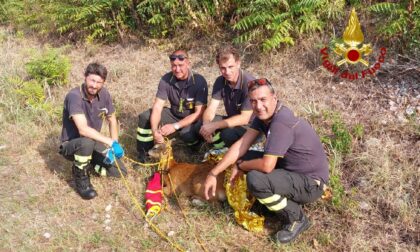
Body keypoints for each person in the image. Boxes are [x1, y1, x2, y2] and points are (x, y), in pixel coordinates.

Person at [204, 78, 329, 243]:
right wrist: (214, 173)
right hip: (291, 171)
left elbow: (267, 166)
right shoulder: (263, 117)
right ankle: (268, 201)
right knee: (245, 156)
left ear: (274, 98)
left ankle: (296, 217)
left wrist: (241, 165)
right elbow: (241, 145)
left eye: (263, 100)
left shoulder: (281, 122)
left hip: (311, 184)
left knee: (256, 179)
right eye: (254, 101)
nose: (259, 106)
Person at [59, 63, 127, 200]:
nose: (95, 85)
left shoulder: (104, 94)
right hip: (72, 144)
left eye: (99, 82)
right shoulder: (74, 96)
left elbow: (112, 119)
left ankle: (88, 163)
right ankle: (80, 177)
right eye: (92, 80)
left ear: (103, 83)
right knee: (86, 143)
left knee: (119, 172)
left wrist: (114, 144)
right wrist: (108, 141)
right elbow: (83, 130)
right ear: (85, 78)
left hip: (92, 142)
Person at [136, 49, 208, 162]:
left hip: (192, 119)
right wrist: (155, 131)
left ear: (188, 63)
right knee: (145, 117)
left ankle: (196, 149)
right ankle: (144, 156)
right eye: (174, 65)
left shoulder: (199, 81)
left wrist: (175, 126)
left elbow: (199, 113)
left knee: (187, 134)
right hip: (174, 114)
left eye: (181, 65)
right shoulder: (166, 79)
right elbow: (157, 107)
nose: (177, 69)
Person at [198, 45, 255, 149]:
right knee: (200, 125)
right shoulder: (220, 81)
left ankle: (220, 149)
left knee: (227, 135)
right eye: (223, 68)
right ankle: (215, 146)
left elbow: (245, 118)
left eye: (230, 67)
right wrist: (206, 124)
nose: (227, 72)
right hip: (232, 119)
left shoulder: (249, 84)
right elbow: (211, 108)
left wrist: (214, 126)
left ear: (238, 64)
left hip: (250, 126)